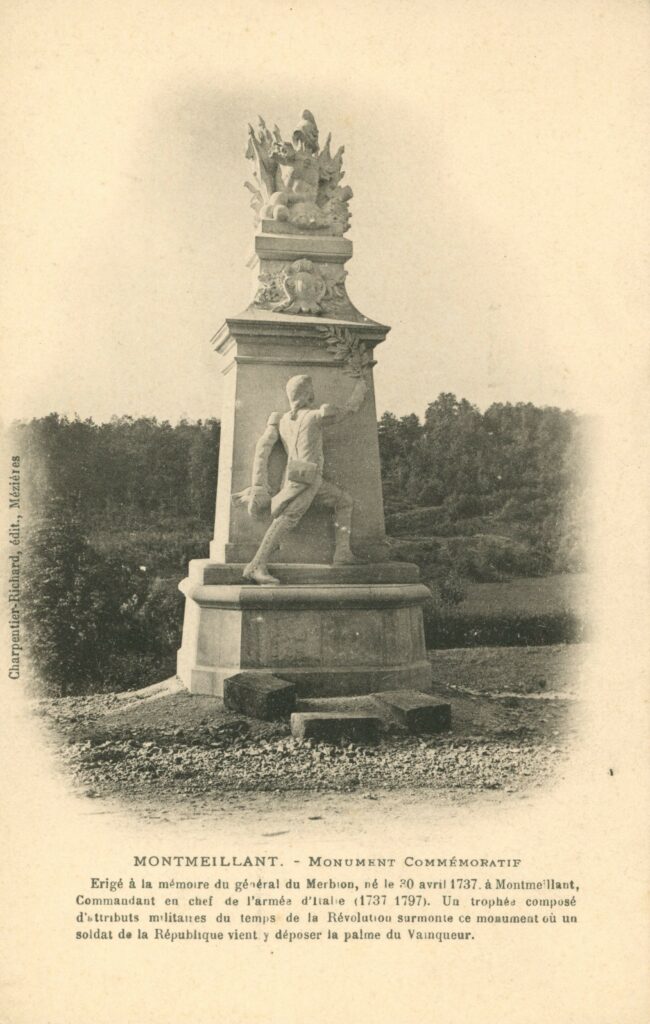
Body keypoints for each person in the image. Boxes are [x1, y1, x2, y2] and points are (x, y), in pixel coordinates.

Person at [238, 372, 368, 585]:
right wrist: (360, 389)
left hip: (301, 477)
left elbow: (263, 448)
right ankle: (255, 565)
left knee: (344, 501)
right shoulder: (315, 416)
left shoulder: (283, 420)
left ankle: (343, 553)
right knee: (288, 518)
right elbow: (347, 410)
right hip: (306, 479)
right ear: (308, 395)